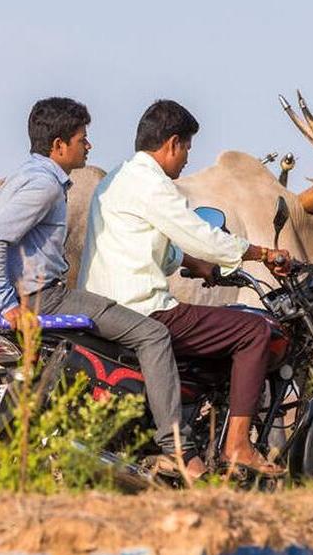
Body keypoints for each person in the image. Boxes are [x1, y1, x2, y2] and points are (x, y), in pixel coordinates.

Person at [0, 97, 206, 479]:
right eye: (83, 139)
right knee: (153, 335)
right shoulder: (45, 186)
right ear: (59, 145)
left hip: (32, 298)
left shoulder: (24, 176)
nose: (89, 145)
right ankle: (176, 448)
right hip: (47, 298)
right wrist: (4, 303)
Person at [79, 99, 292, 476]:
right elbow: (200, 235)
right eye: (188, 150)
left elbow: (142, 248)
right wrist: (262, 253)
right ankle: (239, 445)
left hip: (106, 306)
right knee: (255, 331)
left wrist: (191, 264)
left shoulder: (118, 178)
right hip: (143, 308)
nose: (187, 160)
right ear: (173, 143)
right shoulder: (154, 185)